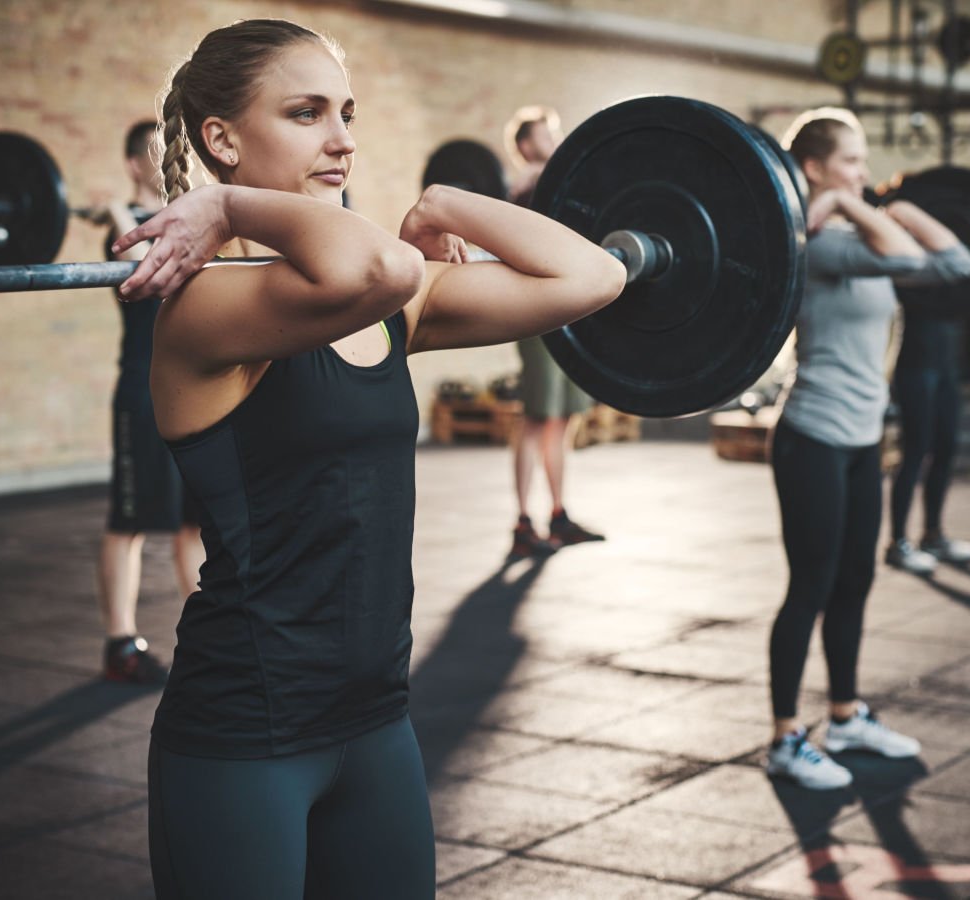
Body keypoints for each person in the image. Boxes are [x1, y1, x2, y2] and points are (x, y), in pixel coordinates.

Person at [111, 20, 625, 898]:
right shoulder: (205, 313)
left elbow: (591, 279)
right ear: (220, 139)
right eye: (307, 113)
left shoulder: (384, 303)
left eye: (346, 113)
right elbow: (379, 268)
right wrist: (231, 209)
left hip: (377, 721)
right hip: (246, 732)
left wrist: (445, 205)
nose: (342, 140)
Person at [765, 109, 970, 790]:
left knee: (855, 581)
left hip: (860, 440)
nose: (864, 171)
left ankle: (846, 714)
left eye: (862, 161)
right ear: (817, 166)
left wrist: (903, 207)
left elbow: (958, 261)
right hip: (813, 437)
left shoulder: (857, 238)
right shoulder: (819, 247)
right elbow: (907, 258)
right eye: (850, 162)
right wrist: (846, 207)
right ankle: (785, 739)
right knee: (812, 585)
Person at [89, 120, 205, 684]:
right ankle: (120, 641)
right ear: (136, 164)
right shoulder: (121, 228)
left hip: (194, 387)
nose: (168, 166)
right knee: (129, 521)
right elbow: (147, 273)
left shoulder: (189, 221)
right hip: (141, 390)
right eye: (158, 156)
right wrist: (116, 212)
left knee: (194, 523)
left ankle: (209, 636)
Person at [503, 105, 605, 557]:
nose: (557, 137)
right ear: (526, 145)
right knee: (537, 418)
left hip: (568, 313)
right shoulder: (526, 183)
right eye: (548, 133)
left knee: (560, 422)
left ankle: (559, 515)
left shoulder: (564, 179)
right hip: (536, 312)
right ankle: (524, 522)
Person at [884, 268, 970, 576]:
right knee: (915, 450)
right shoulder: (909, 266)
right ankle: (898, 543)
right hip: (914, 367)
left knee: (947, 447)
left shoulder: (950, 267)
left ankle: (933, 535)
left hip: (946, 368)